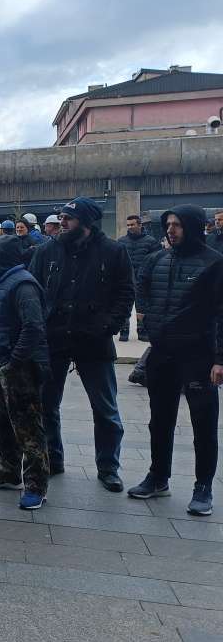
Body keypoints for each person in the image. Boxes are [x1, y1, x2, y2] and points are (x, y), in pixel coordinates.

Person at [29, 197, 134, 491]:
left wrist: (108, 325)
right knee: (47, 404)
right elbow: (33, 288)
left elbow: (126, 293)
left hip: (94, 342)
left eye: (68, 219)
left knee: (105, 409)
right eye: (60, 217)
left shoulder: (114, 252)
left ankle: (108, 467)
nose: (61, 223)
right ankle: (53, 458)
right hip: (54, 339)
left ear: (86, 223)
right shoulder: (46, 250)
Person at [127, 205, 223, 516]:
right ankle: (158, 477)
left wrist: (219, 359)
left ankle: (203, 486)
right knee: (160, 420)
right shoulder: (158, 259)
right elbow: (141, 287)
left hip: (198, 356)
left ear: (194, 227)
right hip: (162, 354)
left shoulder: (214, 263)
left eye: (178, 224)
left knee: (203, 424)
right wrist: (145, 325)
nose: (171, 229)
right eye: (168, 224)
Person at [0, 235, 50, 510]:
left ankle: (36, 484)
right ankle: (7, 470)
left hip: (19, 368)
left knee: (28, 427)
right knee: (3, 422)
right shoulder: (4, 281)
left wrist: (14, 361)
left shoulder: (23, 285)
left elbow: (33, 327)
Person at [117, 215, 159, 344]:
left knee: (143, 307)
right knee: (124, 306)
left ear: (140, 225)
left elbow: (156, 261)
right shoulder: (121, 241)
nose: (130, 227)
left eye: (132, 224)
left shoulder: (151, 241)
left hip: (144, 280)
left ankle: (142, 331)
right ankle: (124, 331)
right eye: (128, 225)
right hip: (126, 279)